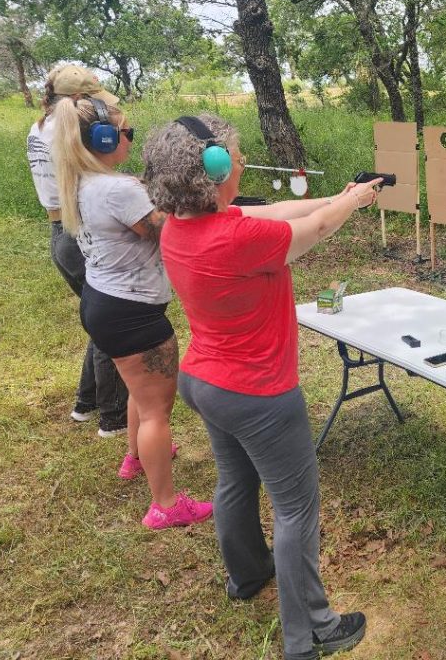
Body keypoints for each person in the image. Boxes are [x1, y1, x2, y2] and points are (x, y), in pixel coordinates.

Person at [143, 113, 379, 660]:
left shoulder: (180, 226)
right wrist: (352, 205)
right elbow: (313, 232)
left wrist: (337, 196)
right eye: (235, 154)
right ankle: (311, 632)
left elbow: (277, 211)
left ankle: (246, 576)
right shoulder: (238, 238)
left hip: (205, 382)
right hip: (259, 394)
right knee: (296, 510)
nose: (243, 160)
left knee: (234, 481)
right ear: (214, 167)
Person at [51, 95, 211, 530]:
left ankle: (135, 456)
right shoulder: (118, 189)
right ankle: (165, 504)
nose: (130, 140)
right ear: (103, 139)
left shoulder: (83, 182)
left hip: (103, 304)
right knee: (158, 409)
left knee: (141, 393)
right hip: (133, 313)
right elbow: (170, 231)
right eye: (126, 133)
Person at [27, 65, 128, 436]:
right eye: (91, 103)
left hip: (60, 230)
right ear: (74, 101)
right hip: (77, 230)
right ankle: (113, 415)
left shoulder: (39, 126)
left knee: (97, 318)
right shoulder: (66, 129)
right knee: (110, 322)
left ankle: (86, 404)